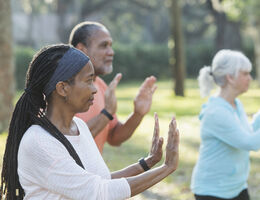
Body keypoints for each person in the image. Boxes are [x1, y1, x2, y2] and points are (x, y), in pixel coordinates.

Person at [0, 44, 179, 200]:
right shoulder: (39, 142)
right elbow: (99, 193)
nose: (94, 89)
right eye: (88, 81)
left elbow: (101, 181)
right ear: (63, 88)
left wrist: (146, 164)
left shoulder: (79, 127)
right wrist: (167, 167)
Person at [69, 21, 157, 152]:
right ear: (82, 50)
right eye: (104, 45)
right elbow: (67, 143)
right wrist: (107, 113)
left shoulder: (100, 86)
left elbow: (114, 137)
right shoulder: (62, 89)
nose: (111, 52)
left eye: (110, 45)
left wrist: (137, 114)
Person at [190, 49, 260, 200]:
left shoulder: (235, 104)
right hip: (212, 192)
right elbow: (250, 143)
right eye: (245, 73)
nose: (250, 78)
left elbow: (247, 133)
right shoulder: (216, 113)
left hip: (237, 187)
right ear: (230, 77)